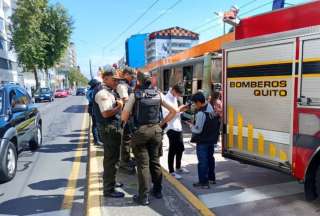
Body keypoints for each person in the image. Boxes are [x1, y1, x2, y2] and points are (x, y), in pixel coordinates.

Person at [121, 72, 176, 205]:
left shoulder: (135, 95)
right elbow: (174, 110)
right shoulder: (158, 94)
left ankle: (143, 197)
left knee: (143, 165)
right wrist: (161, 123)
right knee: (155, 162)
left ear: (138, 82)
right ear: (150, 81)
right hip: (156, 131)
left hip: (140, 133)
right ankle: (157, 191)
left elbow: (124, 116)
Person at [93, 66, 124, 198]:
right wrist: (119, 107)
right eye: (114, 79)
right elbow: (105, 113)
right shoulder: (102, 93)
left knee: (114, 158)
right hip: (108, 129)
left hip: (113, 128)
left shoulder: (110, 91)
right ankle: (108, 189)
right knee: (111, 159)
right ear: (105, 79)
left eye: (117, 79)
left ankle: (112, 181)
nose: (116, 82)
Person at [187, 91, 220, 189]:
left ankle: (203, 182)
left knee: (202, 161)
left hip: (202, 141)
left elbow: (198, 130)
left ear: (198, 102)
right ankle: (211, 178)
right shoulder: (210, 107)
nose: (194, 105)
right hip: (211, 139)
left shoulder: (201, 114)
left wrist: (191, 126)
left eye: (194, 103)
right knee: (210, 158)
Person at [162, 84, 190, 179]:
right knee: (173, 149)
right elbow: (167, 117)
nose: (178, 96)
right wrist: (179, 110)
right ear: (173, 90)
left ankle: (178, 167)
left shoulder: (174, 98)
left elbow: (175, 112)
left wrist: (182, 110)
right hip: (171, 128)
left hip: (178, 127)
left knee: (180, 148)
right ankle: (171, 171)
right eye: (178, 94)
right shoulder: (166, 99)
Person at [116, 66, 137, 173]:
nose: (133, 78)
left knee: (128, 138)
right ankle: (124, 162)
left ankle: (127, 158)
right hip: (125, 116)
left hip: (129, 115)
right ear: (126, 75)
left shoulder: (126, 85)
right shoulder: (122, 85)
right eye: (132, 76)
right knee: (125, 139)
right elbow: (126, 100)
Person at [86, 79, 101, 145]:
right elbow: (94, 99)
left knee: (96, 124)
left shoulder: (89, 91)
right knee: (95, 125)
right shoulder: (93, 91)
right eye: (98, 84)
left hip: (91, 107)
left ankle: (97, 139)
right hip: (94, 108)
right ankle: (96, 140)